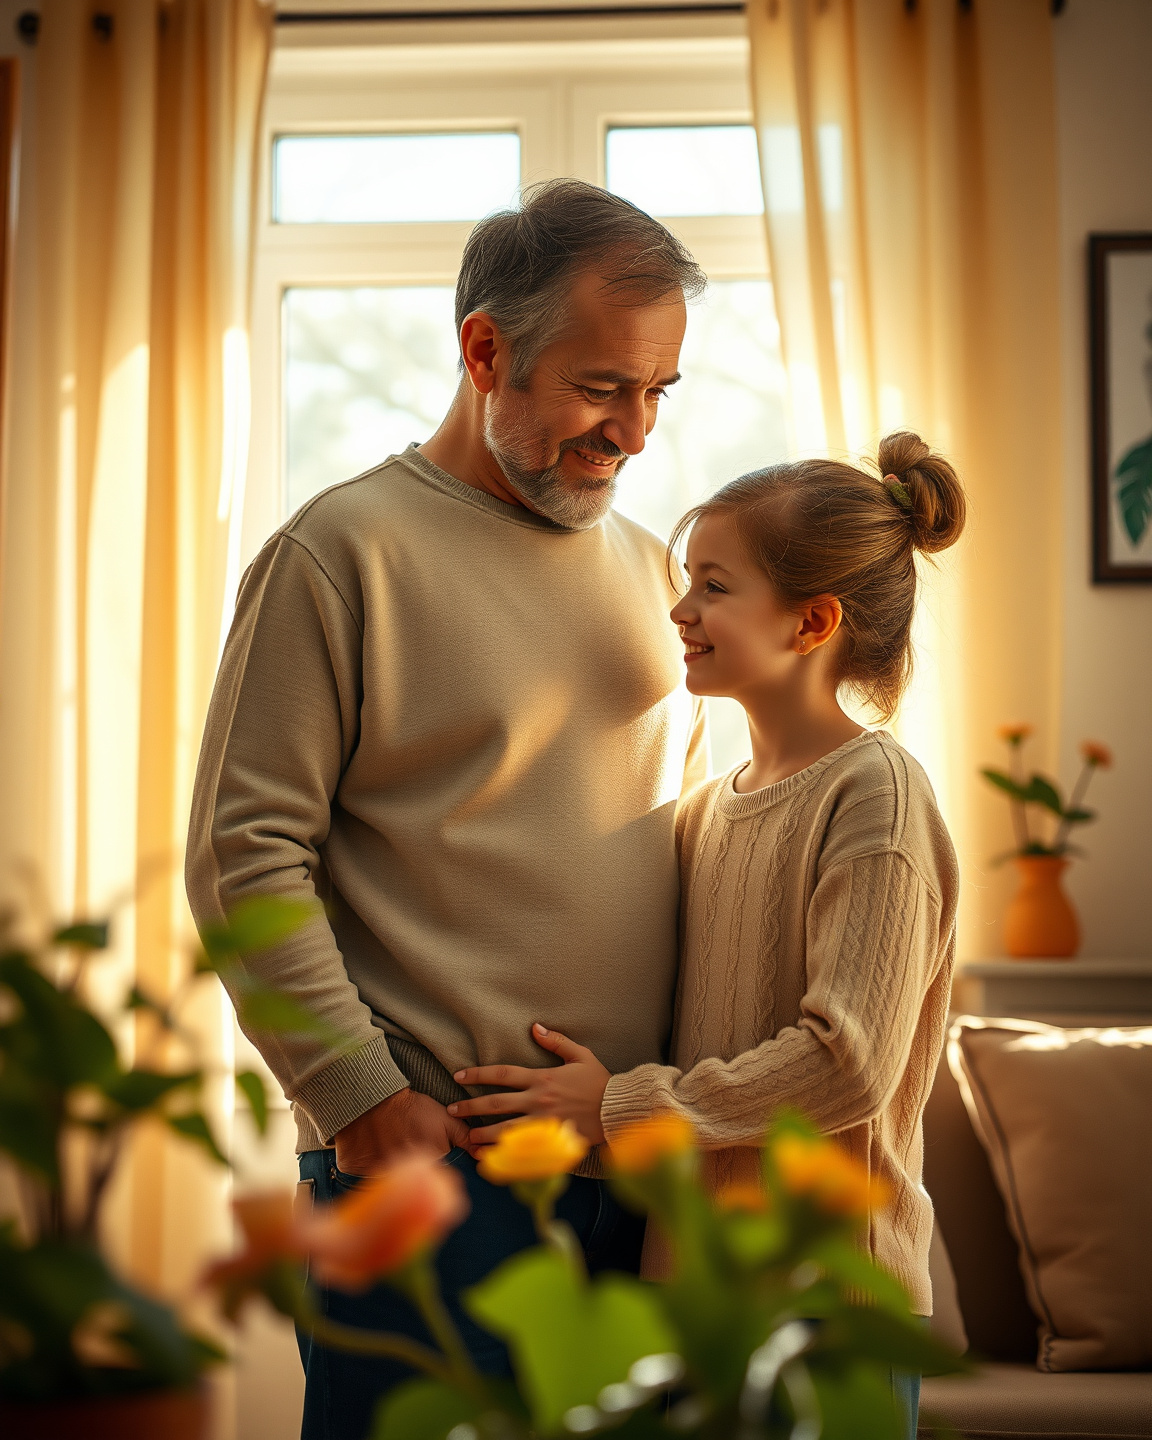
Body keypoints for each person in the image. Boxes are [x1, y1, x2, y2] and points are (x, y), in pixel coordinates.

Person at [185, 179, 709, 1440]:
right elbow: (242, 858)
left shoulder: (657, 574)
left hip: (627, 1168)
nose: (634, 431)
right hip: (431, 1170)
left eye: (658, 393)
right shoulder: (340, 552)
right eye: (602, 387)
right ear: (486, 350)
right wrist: (363, 1100)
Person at [448, 431, 966, 1440]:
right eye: (688, 582)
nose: (680, 610)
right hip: (694, 1300)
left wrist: (618, 1104)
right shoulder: (706, 811)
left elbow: (847, 1064)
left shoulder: (878, 795)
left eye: (715, 587)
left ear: (811, 621)